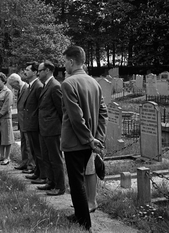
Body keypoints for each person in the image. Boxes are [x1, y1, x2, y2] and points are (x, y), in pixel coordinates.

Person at [61, 46, 108, 231]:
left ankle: (84, 222)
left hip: (75, 141)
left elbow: (75, 117)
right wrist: (98, 137)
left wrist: (89, 139)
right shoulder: (93, 82)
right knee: (79, 177)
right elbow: (104, 111)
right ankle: (80, 215)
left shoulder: (68, 83)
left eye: (65, 61)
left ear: (72, 61)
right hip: (89, 141)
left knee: (76, 180)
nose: (64, 65)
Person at [37, 60, 65, 196]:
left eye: (40, 70)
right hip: (44, 128)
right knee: (46, 157)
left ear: (47, 70)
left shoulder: (55, 86)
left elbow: (61, 110)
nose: (38, 73)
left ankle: (60, 186)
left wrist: (59, 128)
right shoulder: (46, 85)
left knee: (55, 158)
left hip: (53, 129)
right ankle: (51, 182)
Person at [23, 61, 47, 185]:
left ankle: (43, 175)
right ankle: (37, 172)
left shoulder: (38, 86)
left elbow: (39, 107)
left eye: (27, 70)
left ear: (35, 72)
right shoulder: (31, 85)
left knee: (38, 151)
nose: (25, 72)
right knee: (33, 150)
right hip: (30, 124)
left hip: (35, 125)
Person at [7, 73, 33, 171]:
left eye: (13, 85)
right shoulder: (20, 89)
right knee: (23, 144)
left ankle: (31, 165)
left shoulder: (27, 88)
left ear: (17, 82)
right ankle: (24, 162)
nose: (13, 87)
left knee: (29, 145)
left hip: (27, 121)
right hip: (21, 122)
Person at [0, 72, 15, 165]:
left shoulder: (8, 92)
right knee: (0, 138)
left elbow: (6, 106)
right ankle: (1, 156)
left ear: (4, 81)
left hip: (5, 119)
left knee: (7, 138)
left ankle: (7, 157)